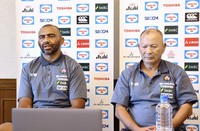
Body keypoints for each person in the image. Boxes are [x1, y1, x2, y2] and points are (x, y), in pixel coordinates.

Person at [0, 24, 87, 131]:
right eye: (42, 37)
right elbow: (24, 106)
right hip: (34, 121)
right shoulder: (28, 68)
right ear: (38, 42)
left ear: (62, 41)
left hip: (64, 122)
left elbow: (78, 107)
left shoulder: (74, 67)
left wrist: (55, 123)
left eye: (51, 36)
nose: (46, 40)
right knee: (4, 128)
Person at [111, 28, 198, 131]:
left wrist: (167, 128)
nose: (148, 51)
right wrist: (136, 129)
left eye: (154, 46)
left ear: (163, 47)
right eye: (144, 46)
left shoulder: (177, 72)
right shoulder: (127, 74)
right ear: (139, 47)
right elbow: (119, 109)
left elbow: (187, 107)